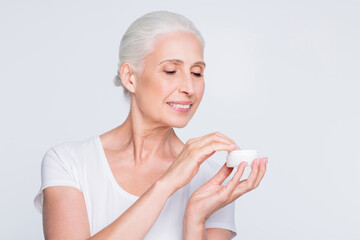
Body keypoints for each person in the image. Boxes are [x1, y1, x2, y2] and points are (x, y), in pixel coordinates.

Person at [33, 10, 268, 240]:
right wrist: (166, 185)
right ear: (130, 77)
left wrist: (195, 218)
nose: (189, 87)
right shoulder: (68, 163)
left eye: (197, 73)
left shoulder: (213, 180)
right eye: (171, 70)